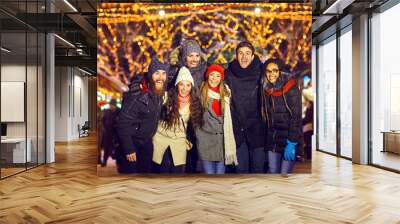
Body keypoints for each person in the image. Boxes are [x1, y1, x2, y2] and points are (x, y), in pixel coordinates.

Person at [115, 57, 169, 173]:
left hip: (146, 144)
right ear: (150, 76)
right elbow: (122, 124)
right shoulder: (137, 96)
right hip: (132, 145)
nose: (161, 77)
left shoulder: (159, 94)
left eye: (164, 73)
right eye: (157, 73)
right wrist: (129, 149)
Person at [224, 41, 266, 173]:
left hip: (258, 129)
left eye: (248, 53)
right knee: (241, 170)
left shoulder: (262, 73)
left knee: (258, 169)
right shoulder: (229, 74)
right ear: (236, 56)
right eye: (241, 53)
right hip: (238, 130)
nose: (244, 57)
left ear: (253, 56)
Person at [152, 66, 203, 173]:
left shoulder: (194, 103)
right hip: (161, 139)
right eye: (181, 84)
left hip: (179, 141)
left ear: (191, 86)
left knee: (177, 174)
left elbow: (194, 124)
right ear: (177, 85)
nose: (184, 88)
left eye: (188, 85)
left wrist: (189, 138)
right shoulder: (166, 97)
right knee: (162, 172)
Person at [169, 39, 208, 173]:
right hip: (181, 119)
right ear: (185, 56)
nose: (194, 59)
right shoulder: (176, 71)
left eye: (197, 55)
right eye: (190, 55)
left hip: (199, 118)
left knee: (196, 156)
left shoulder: (205, 70)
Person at [261, 58, 302, 174]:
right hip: (273, 142)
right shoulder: (266, 90)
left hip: (288, 141)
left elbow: (296, 117)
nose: (271, 74)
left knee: (284, 175)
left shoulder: (291, 88)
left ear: (280, 72)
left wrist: (292, 143)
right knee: (273, 172)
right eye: (268, 71)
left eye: (275, 70)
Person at [195, 64, 238, 174]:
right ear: (207, 76)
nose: (214, 78)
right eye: (212, 75)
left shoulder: (226, 94)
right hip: (206, 142)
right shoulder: (200, 93)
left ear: (221, 78)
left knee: (220, 177)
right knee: (209, 177)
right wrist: (199, 135)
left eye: (218, 76)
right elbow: (195, 118)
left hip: (222, 143)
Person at [100, 99, 119, 167]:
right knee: (106, 148)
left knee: (116, 149)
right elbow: (103, 120)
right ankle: (104, 161)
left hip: (115, 134)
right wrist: (104, 128)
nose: (111, 106)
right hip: (107, 133)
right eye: (110, 105)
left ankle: (118, 162)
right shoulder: (107, 111)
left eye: (112, 105)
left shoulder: (118, 111)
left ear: (115, 105)